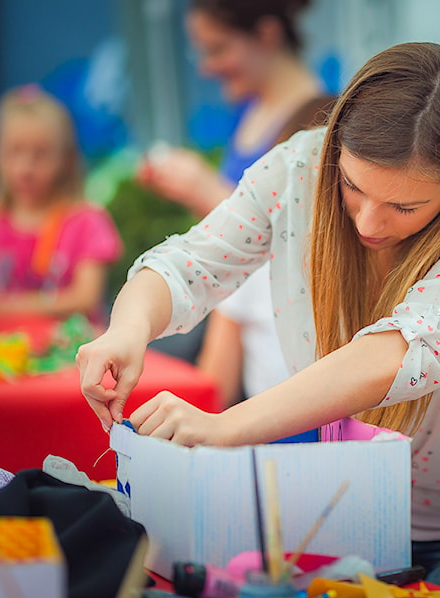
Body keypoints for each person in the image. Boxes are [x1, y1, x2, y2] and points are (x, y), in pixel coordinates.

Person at [78, 42, 440, 598]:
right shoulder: (297, 168)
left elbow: (399, 354)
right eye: (352, 186)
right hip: (345, 519)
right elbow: (188, 263)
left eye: (403, 207)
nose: (368, 220)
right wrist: (127, 328)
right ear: (337, 144)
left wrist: (224, 427)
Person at [139, 0, 335, 394]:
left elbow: (303, 242)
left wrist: (206, 190)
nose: (204, 66)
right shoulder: (253, 110)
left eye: (218, 48)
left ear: (266, 34)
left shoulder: (316, 126)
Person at [0, 85, 122, 324]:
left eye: (40, 154)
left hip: (72, 353)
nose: (25, 168)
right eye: (13, 152)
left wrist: (8, 306)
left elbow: (85, 299)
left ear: (66, 159)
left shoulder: (87, 221)